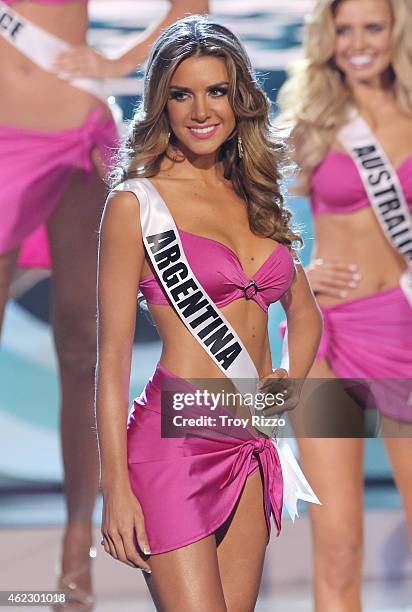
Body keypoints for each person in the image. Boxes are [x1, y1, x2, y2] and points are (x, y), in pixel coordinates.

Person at [96, 15, 322, 611]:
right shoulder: (136, 205)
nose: (201, 110)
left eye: (216, 91)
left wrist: (285, 389)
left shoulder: (254, 195)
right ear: (161, 103)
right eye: (182, 93)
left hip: (248, 443)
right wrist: (114, 487)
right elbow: (113, 356)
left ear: (239, 98)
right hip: (173, 444)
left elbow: (305, 313)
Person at [0, 0, 208, 608]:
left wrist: (115, 61)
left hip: (73, 132)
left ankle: (74, 552)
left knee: (81, 344)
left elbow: (190, 8)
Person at [278, 0, 412, 610]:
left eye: (373, 27)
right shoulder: (312, 118)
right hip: (326, 339)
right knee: (337, 547)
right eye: (344, 28)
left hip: (404, 330)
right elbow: (243, 219)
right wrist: (295, 273)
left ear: (397, 31)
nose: (358, 42)